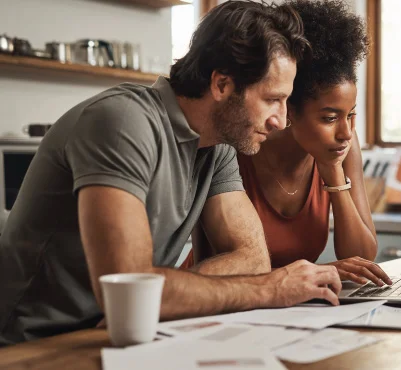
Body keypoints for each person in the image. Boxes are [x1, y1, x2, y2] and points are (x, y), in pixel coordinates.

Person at [0, 0, 343, 346]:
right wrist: (270, 289)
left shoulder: (219, 145)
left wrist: (165, 293)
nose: (281, 121)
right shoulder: (122, 123)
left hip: (120, 335)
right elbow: (130, 289)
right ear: (222, 85)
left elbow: (252, 259)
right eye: (272, 99)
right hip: (32, 345)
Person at [182, 0, 392, 287]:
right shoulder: (238, 144)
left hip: (290, 304)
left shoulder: (341, 147)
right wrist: (318, 272)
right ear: (289, 110)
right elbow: (219, 261)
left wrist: (332, 174)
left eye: (351, 115)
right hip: (217, 297)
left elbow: (363, 258)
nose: (346, 132)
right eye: (330, 118)